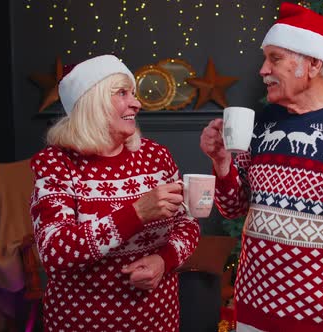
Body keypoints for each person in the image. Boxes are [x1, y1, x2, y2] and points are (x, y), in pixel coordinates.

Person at [200, 3, 323, 332]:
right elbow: (235, 207)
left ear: (313, 63)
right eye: (265, 59)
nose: (263, 70)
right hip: (253, 311)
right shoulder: (263, 123)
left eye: (275, 58)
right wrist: (221, 163)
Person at [29, 54, 200, 331]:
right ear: (92, 103)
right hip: (83, 321)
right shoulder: (57, 164)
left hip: (158, 318)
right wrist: (136, 213)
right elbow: (54, 250)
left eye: (133, 93)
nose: (137, 102)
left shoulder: (156, 157)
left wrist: (164, 260)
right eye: (122, 93)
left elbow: (187, 223)